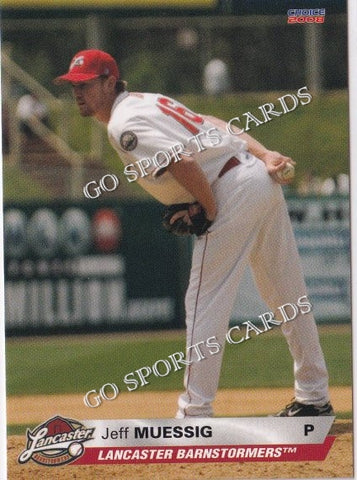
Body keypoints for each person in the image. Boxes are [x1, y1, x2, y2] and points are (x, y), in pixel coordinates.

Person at [54, 49, 334, 418]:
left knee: (205, 302)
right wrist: (263, 154)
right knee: (287, 294)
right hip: (255, 178)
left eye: (86, 83)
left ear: (109, 82)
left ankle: (195, 412)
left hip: (229, 189)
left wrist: (208, 209)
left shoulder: (123, 125)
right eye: (73, 84)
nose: (77, 91)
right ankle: (314, 396)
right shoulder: (146, 101)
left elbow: (181, 162)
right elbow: (213, 123)